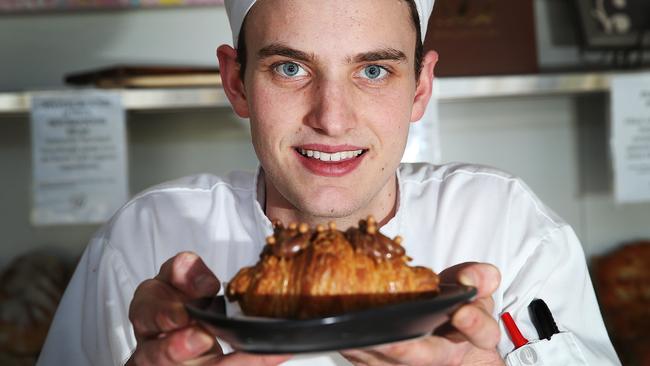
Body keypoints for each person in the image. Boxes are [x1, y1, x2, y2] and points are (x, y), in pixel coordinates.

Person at [38, 0, 620, 365]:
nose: (332, 118)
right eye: (290, 68)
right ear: (236, 82)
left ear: (419, 88)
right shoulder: (145, 239)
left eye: (373, 70)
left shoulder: (505, 225)